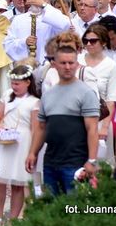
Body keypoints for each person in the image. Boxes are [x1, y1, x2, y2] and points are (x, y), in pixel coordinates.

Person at [25, 46, 99, 195]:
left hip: (76, 163)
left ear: (77, 64)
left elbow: (92, 129)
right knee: (52, 210)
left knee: (75, 210)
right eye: (63, 63)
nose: (67, 67)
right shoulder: (48, 95)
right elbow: (41, 127)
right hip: (51, 162)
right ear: (55, 64)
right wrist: (33, 152)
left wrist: (91, 160)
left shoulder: (86, 93)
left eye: (71, 63)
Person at [0, 65, 40, 222]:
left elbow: (35, 128)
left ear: (27, 82)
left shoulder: (35, 102)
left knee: (18, 184)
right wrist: (0, 126)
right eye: (12, 83)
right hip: (5, 141)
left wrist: (33, 151)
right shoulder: (7, 96)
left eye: (17, 83)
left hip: (23, 143)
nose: (14, 86)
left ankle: (13, 219)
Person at [78, 24, 116, 164]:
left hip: (100, 118)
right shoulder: (77, 60)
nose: (88, 44)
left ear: (103, 42)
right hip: (77, 116)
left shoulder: (111, 65)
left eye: (93, 41)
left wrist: (105, 127)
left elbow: (111, 98)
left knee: (99, 164)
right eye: (86, 40)